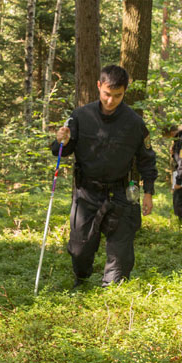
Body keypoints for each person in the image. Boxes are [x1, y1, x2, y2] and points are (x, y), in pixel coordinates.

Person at [52, 64, 158, 287]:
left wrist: (148, 192)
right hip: (87, 192)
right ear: (99, 86)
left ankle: (112, 292)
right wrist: (62, 140)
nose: (111, 100)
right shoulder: (81, 116)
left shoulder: (135, 123)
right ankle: (81, 281)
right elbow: (61, 150)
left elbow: (147, 159)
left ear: (125, 91)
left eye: (117, 95)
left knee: (121, 257)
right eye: (107, 94)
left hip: (121, 193)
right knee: (80, 249)